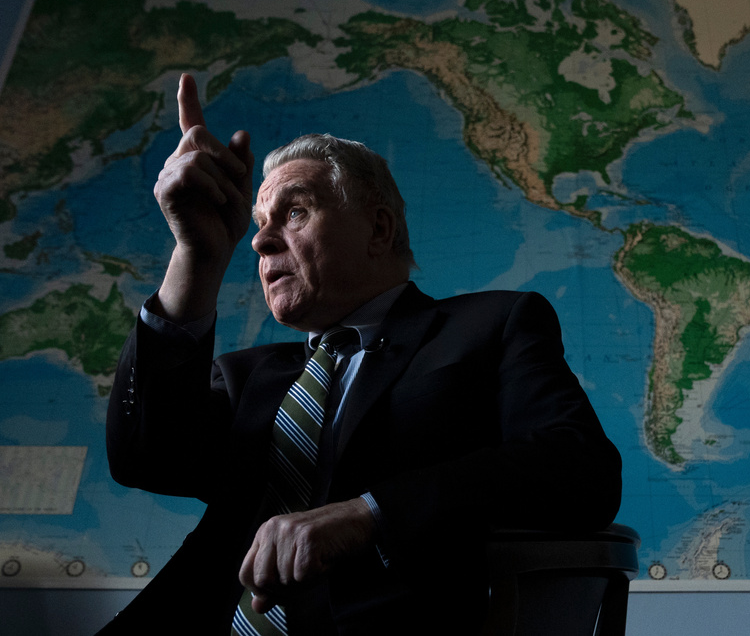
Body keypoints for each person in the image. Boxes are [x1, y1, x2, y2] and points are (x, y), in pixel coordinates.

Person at [100, 74, 622, 635]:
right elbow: (143, 457)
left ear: (378, 229)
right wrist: (195, 256)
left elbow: (579, 469)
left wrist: (369, 514)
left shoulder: (491, 326)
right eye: (257, 225)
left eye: (294, 213)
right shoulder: (247, 375)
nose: (260, 241)